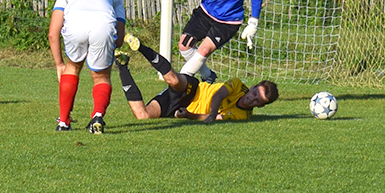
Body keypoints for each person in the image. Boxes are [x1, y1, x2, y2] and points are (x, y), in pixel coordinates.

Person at [116, 33, 277, 123]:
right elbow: (219, 94)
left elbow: (218, 118)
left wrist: (189, 115)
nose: (252, 99)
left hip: (182, 108)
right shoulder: (238, 85)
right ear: (253, 87)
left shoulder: (243, 116)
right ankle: (140, 46)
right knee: (174, 80)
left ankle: (122, 65)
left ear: (261, 106)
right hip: (194, 90)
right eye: (255, 93)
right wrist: (213, 113)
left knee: (142, 115)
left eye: (258, 101)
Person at [48, 0, 126, 133]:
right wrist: (108, 46)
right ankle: (97, 115)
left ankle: (63, 121)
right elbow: (119, 38)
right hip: (103, 25)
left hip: (76, 22)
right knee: (101, 76)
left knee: (72, 67)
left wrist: (59, 64)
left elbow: (52, 34)